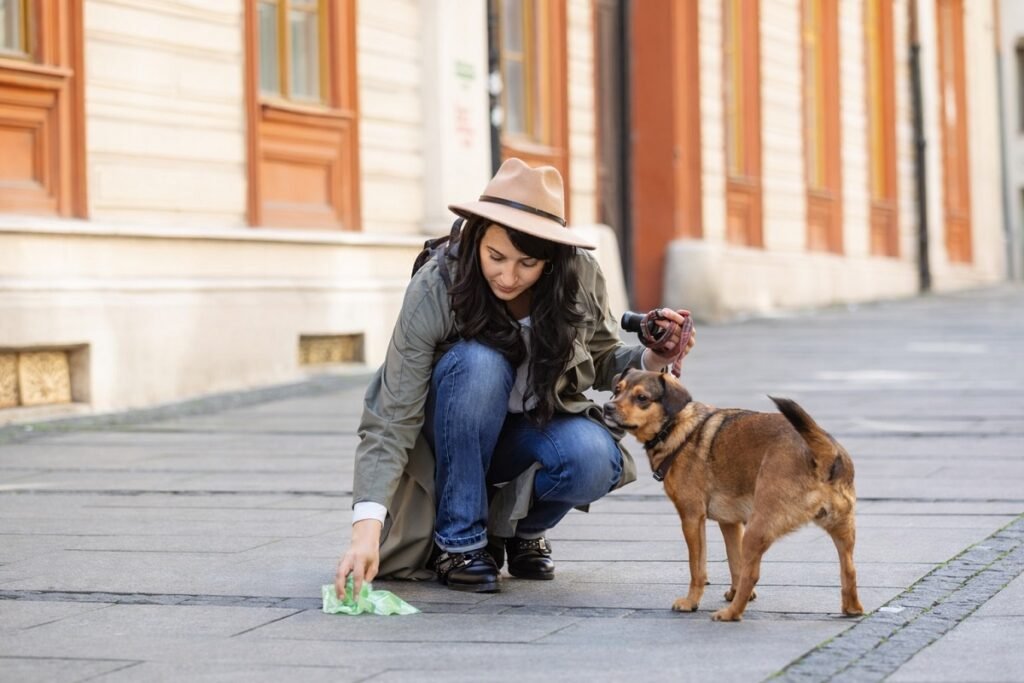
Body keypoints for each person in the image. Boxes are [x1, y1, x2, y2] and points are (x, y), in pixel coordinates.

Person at [335, 158, 694, 596]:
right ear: (477, 238)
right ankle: (459, 544)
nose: (508, 276)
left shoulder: (578, 276)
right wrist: (365, 532)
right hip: (451, 434)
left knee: (594, 458)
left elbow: (602, 359)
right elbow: (391, 415)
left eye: (527, 263)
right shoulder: (438, 285)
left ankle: (519, 532)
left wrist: (655, 356)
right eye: (496, 257)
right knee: (480, 363)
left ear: (551, 258)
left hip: (530, 430)